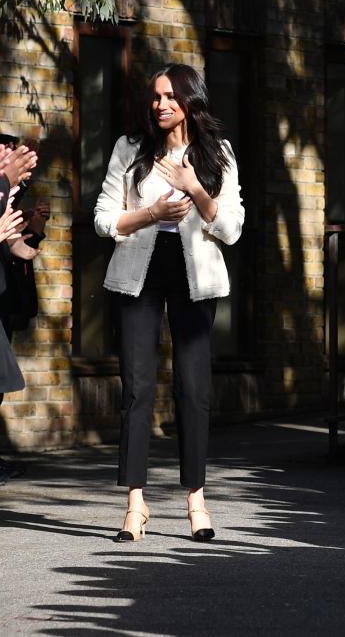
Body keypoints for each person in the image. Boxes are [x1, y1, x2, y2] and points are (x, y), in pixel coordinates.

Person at [92, 63, 244, 543]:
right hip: (138, 272)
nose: (160, 104)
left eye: (170, 96)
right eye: (155, 96)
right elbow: (103, 219)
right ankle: (135, 503)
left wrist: (195, 187)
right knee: (136, 387)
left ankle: (196, 501)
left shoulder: (217, 153)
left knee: (193, 388)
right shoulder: (130, 148)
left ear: (191, 101)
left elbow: (232, 229)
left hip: (194, 275)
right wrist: (151, 213)